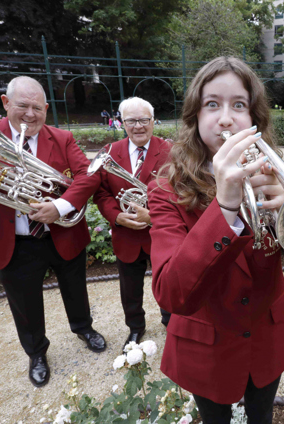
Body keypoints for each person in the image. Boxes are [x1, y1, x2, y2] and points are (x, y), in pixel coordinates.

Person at [148, 56, 284, 424]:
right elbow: (171, 294)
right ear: (194, 118)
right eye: (212, 105)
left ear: (254, 119)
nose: (225, 118)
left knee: (262, 415)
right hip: (207, 345)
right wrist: (224, 207)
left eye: (239, 105)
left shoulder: (274, 178)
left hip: (268, 337)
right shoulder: (166, 191)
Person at [0, 76, 106, 388]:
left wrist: (59, 206)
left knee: (75, 288)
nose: (30, 114)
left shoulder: (62, 138)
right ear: (6, 104)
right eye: (22, 106)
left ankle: (84, 328)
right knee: (24, 302)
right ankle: (36, 352)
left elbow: (88, 176)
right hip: (14, 241)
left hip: (61, 232)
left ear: (46, 109)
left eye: (37, 108)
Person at [93, 97, 171, 352]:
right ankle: (136, 327)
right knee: (129, 289)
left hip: (161, 233)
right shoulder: (109, 152)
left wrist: (154, 215)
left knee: (168, 281)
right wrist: (116, 216)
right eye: (131, 121)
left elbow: (180, 191)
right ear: (122, 122)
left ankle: (172, 322)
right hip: (125, 234)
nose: (138, 126)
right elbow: (102, 193)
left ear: (152, 120)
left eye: (143, 120)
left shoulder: (170, 151)